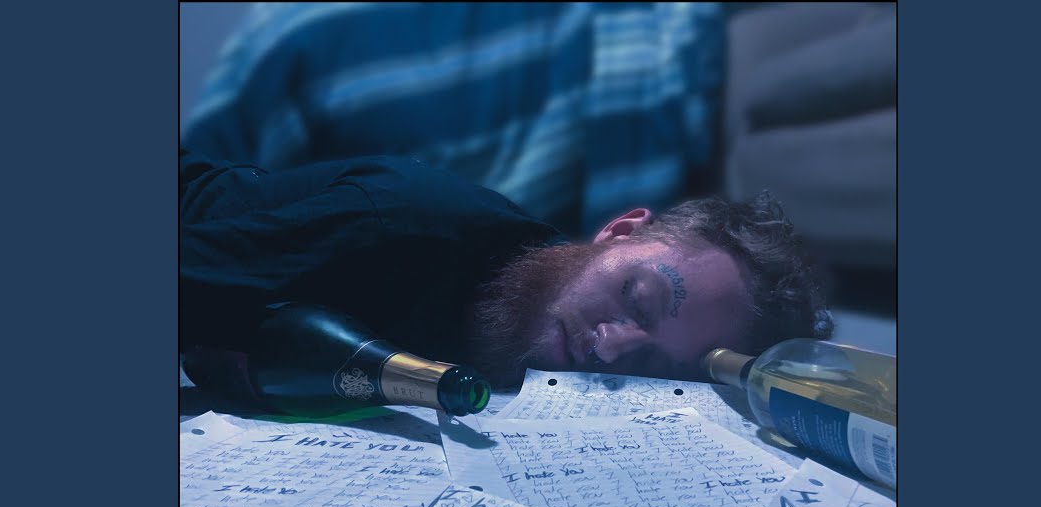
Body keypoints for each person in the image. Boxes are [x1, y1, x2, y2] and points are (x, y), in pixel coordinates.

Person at [181, 148, 833, 388]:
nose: (611, 349)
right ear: (619, 232)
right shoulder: (396, 230)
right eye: (636, 299)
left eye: (651, 364)